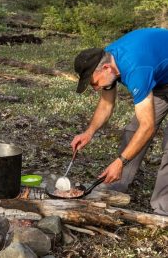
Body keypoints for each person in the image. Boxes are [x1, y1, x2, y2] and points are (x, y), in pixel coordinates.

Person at [71, 27, 168, 216]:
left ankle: (163, 210)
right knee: (133, 131)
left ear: (105, 68)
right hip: (162, 79)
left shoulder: (136, 68)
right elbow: (106, 105)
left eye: (94, 83)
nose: (95, 88)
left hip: (152, 71)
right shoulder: (106, 60)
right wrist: (88, 132)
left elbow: (148, 127)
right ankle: (115, 190)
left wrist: (120, 161)